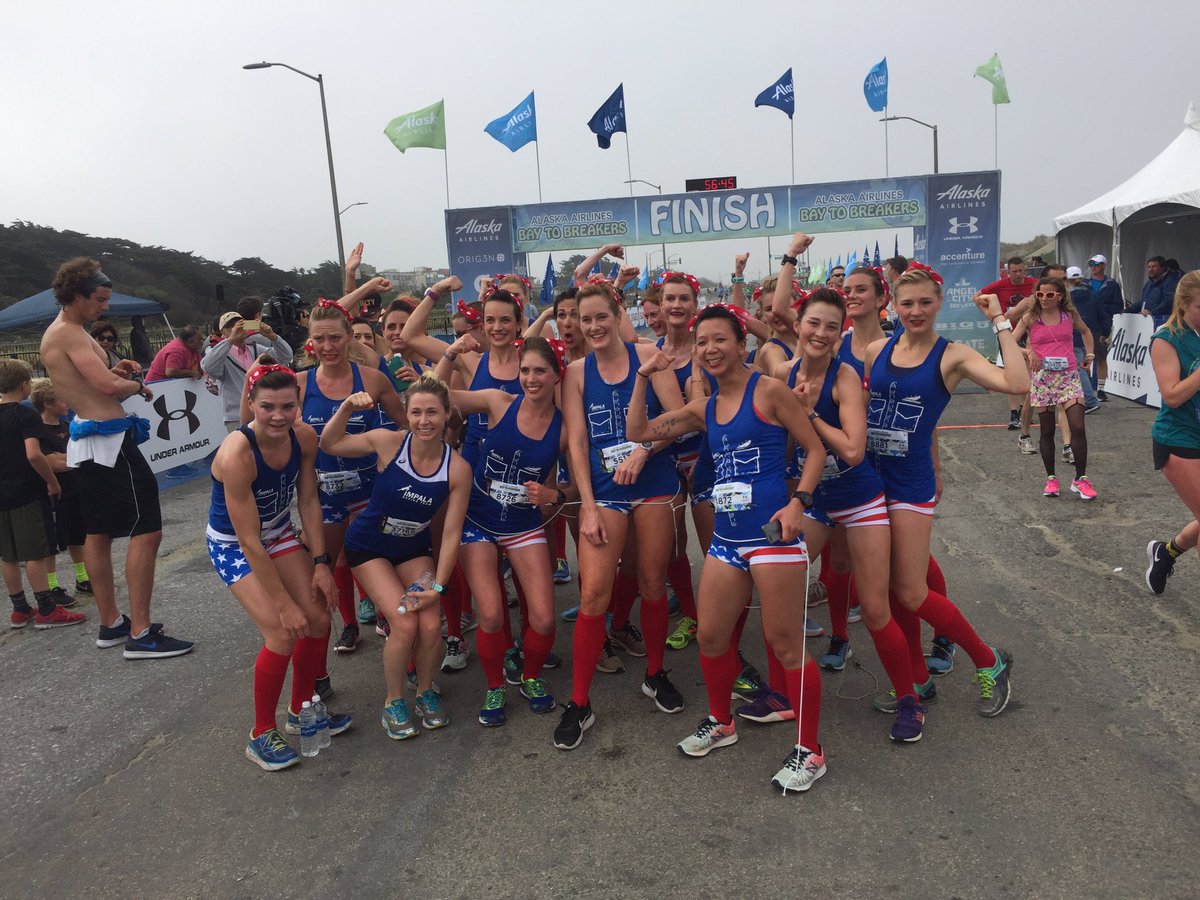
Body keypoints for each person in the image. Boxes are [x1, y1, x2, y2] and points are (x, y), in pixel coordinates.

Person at [628, 304, 831, 793]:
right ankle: (721, 721)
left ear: (742, 345)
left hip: (773, 538)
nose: (711, 349)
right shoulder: (703, 408)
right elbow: (639, 432)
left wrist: (798, 503)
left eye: (720, 339)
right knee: (711, 638)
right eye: (702, 342)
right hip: (726, 541)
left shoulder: (769, 391)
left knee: (785, 645)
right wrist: (642, 378)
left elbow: (817, 450)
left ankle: (811, 751)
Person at [863, 263, 1026, 717]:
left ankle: (989, 660)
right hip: (871, 483)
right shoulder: (878, 349)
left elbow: (1017, 383)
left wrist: (1000, 321)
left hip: (909, 486)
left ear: (939, 303)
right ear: (893, 304)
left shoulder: (952, 355)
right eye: (907, 303)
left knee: (912, 592)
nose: (916, 311)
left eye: (925, 303)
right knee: (892, 592)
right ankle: (916, 677)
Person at [552, 281, 685, 751]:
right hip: (604, 492)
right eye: (584, 320)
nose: (592, 327)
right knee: (592, 594)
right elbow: (577, 442)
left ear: (617, 313)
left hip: (651, 484)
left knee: (652, 582)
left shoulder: (647, 353)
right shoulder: (575, 372)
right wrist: (586, 506)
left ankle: (654, 673)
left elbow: (680, 418)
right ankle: (580, 701)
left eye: (600, 317)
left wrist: (645, 450)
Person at [40, 258, 193, 658]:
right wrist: (136, 384)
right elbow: (106, 385)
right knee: (148, 529)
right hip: (108, 440)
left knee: (99, 531)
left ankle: (111, 623)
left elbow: (99, 374)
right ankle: (140, 633)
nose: (105, 307)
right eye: (100, 299)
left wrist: (119, 367)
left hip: (88, 440)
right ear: (77, 295)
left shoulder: (65, 332)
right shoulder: (69, 334)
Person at [207, 361, 350, 770]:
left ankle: (301, 710)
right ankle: (260, 732)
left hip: (278, 531)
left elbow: (308, 501)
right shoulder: (237, 453)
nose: (277, 416)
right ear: (250, 404)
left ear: (298, 404)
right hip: (235, 544)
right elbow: (248, 541)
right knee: (282, 630)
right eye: (267, 406)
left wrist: (321, 563)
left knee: (320, 617)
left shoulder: (304, 437)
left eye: (287, 406)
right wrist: (283, 602)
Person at [322, 374, 471, 740]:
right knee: (404, 623)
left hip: (410, 550)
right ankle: (393, 702)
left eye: (433, 412)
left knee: (432, 623)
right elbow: (330, 442)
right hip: (368, 548)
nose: (424, 421)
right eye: (416, 412)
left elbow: (451, 533)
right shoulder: (389, 443)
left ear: (447, 414)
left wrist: (439, 585)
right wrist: (344, 408)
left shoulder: (457, 469)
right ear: (406, 414)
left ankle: (424, 692)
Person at [450, 337, 569, 726]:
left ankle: (530, 676)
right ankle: (494, 685)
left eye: (539, 371)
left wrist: (554, 493)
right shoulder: (499, 401)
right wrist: (449, 355)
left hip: (523, 524)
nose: (531, 379)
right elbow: (438, 397)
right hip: (478, 520)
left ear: (556, 375)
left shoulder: (565, 428)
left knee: (545, 619)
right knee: (491, 616)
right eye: (525, 371)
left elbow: (586, 482)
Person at [295, 300, 407, 659]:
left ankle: (386, 612)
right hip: (324, 492)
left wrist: (389, 456)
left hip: (370, 490)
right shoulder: (299, 385)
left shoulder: (372, 380)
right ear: (310, 342)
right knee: (334, 560)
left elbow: (406, 425)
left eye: (334, 338)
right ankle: (349, 623)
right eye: (318, 340)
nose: (327, 347)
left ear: (349, 339)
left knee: (375, 554)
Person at [1, 360, 86, 631]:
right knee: (36, 551)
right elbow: (34, 454)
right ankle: (46, 609)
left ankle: (19, 608)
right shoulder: (26, 416)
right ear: (25, 385)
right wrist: (52, 482)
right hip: (26, 491)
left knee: (9, 555)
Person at [1012, 276, 1098, 500]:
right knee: (1047, 430)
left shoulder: (1068, 315)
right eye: (1040, 294)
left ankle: (1081, 479)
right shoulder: (1030, 317)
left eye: (1049, 295)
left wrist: (1090, 354)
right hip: (1043, 378)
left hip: (1068, 376)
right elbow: (1011, 341)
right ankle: (1051, 479)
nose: (1044, 299)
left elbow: (1087, 332)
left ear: (1060, 296)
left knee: (1078, 426)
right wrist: (1028, 352)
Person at [1145, 271, 1200, 595]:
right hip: (1178, 439)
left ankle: (1165, 553)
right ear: (1183, 304)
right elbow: (1173, 394)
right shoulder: (1166, 338)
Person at [30, 378, 91, 605]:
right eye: (62, 399)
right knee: (52, 543)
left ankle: (83, 578)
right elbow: (52, 462)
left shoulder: (67, 426)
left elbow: (70, 456)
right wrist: (78, 458)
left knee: (78, 536)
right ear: (47, 403)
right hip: (54, 494)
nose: (67, 403)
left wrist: (69, 458)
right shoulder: (39, 431)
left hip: (75, 490)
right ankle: (52, 585)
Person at [203, 299, 294, 429]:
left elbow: (286, 356)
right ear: (222, 332)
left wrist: (273, 336)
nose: (236, 329)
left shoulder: (256, 349)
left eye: (240, 324)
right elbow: (208, 366)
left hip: (262, 412)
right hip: (235, 416)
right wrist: (230, 340)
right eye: (230, 327)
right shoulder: (219, 353)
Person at [982, 257, 1040, 429]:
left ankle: (1025, 409)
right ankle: (1014, 413)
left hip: (1029, 330)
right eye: (1014, 271)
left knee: (1028, 370)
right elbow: (978, 296)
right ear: (1008, 272)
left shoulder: (1034, 283)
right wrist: (994, 316)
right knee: (1010, 371)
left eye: (1020, 270)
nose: (1017, 274)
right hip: (1007, 332)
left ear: (1025, 270)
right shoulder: (1000, 285)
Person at [1065, 267, 1104, 412]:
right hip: (1089, 334)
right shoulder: (1093, 294)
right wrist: (1104, 331)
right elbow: (1102, 314)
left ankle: (1090, 399)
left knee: (1077, 369)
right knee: (1083, 366)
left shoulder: (1066, 298)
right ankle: (1085, 397)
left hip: (1074, 335)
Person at [1086, 254, 1124, 400]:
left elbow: (1118, 305)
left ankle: (1101, 389)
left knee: (1101, 358)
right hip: (1086, 326)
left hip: (1102, 326)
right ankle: (1088, 388)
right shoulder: (1084, 283)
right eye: (1091, 264)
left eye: (1096, 264)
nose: (1093, 267)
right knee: (1085, 358)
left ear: (1103, 265)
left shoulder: (1112, 284)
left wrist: (1102, 309)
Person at [1138, 256, 1182, 328]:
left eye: (1154, 266)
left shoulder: (1171, 282)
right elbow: (1142, 301)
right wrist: (1126, 310)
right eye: (1149, 267)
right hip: (1147, 322)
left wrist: (1152, 312)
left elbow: (1168, 302)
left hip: (1163, 323)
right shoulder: (1148, 284)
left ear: (1163, 268)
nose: (1151, 269)